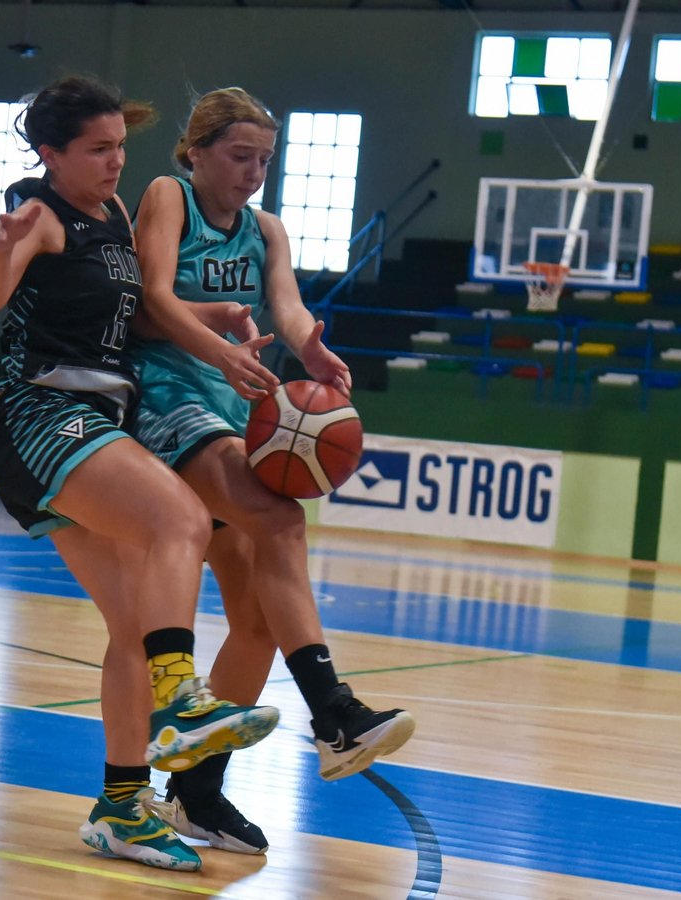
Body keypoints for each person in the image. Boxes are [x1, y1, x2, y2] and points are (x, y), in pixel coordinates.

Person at [0, 76, 281, 873]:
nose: (116, 162)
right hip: (41, 413)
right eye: (98, 150)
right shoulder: (37, 214)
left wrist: (214, 321)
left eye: (120, 146)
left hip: (96, 417)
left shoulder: (110, 213)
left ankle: (119, 806)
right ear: (51, 155)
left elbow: (134, 309)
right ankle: (182, 699)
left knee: (131, 627)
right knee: (180, 517)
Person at [130, 88, 416, 852]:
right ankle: (335, 715)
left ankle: (195, 794)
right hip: (161, 397)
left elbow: (287, 309)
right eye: (239, 155)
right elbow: (153, 298)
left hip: (225, 405)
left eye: (264, 159)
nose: (254, 172)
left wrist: (311, 347)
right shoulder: (168, 197)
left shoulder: (266, 230)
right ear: (196, 151)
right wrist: (218, 346)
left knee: (256, 617)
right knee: (283, 518)